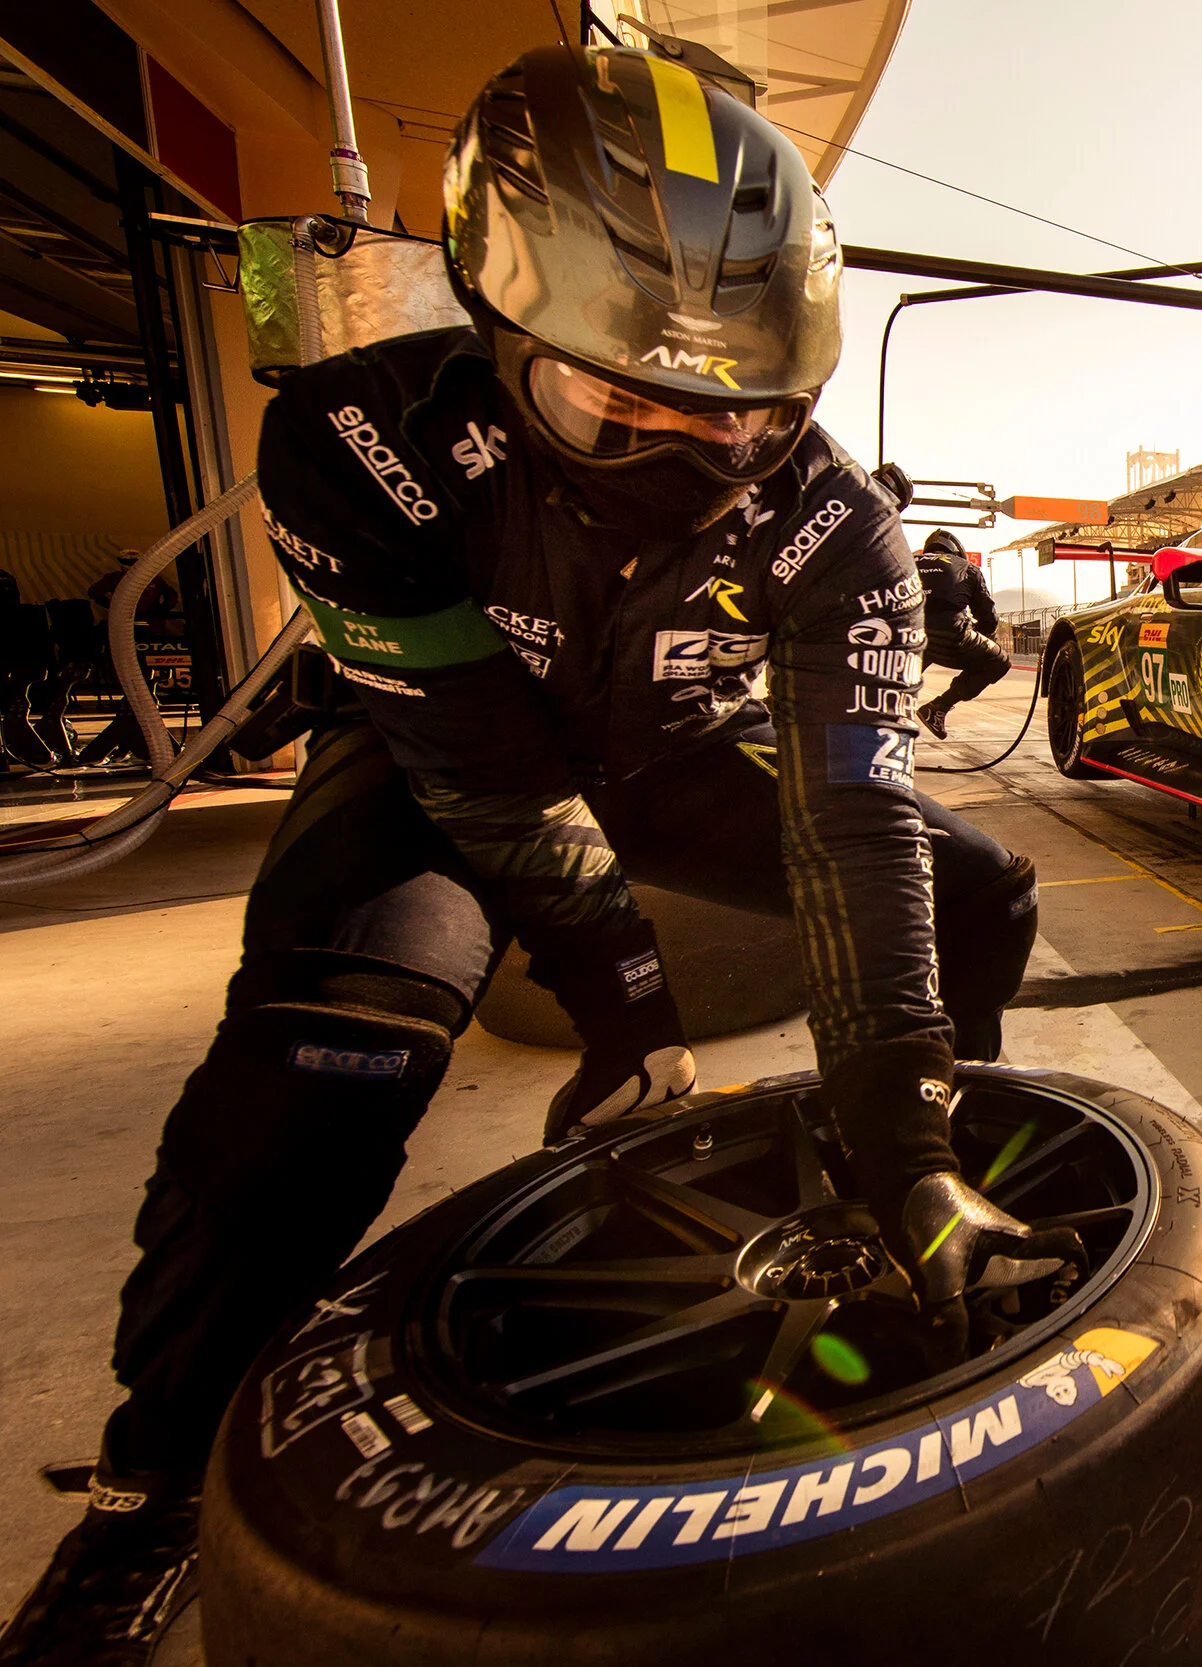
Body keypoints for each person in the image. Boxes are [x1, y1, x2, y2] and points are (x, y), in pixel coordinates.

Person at [0, 46, 1061, 1663]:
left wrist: (903, 1129)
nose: (685, 457)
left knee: (980, 887)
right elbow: (488, 781)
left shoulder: (843, 533)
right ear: (499, 327)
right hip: (436, 759)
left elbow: (853, 819)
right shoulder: (354, 440)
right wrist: (630, 1010)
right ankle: (149, 1492)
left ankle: (921, 1183)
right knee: (307, 1091)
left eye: (743, 409)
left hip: (668, 755)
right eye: (620, 397)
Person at [912, 528, 1011, 739]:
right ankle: (939, 707)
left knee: (903, 671)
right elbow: (989, 620)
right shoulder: (968, 568)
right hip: (950, 635)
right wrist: (980, 643)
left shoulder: (908, 561)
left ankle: (885, 714)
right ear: (957, 551)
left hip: (909, 635)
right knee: (1000, 661)